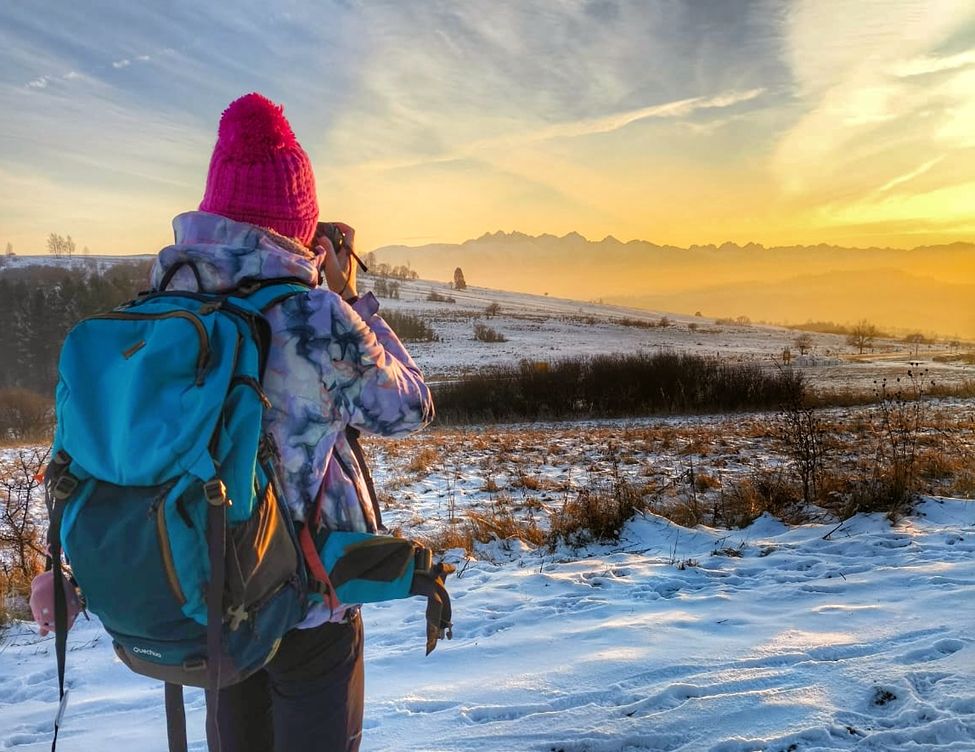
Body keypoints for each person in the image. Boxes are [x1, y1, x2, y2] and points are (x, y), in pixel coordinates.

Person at [149, 92, 435, 751]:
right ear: (297, 216)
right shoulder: (313, 317)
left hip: (204, 589)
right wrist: (349, 300)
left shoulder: (169, 302)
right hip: (304, 596)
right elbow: (409, 407)